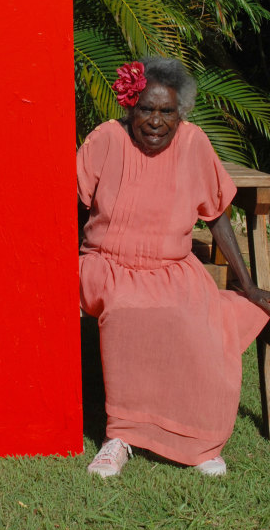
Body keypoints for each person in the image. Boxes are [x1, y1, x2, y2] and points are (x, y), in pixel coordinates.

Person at [77, 57, 270, 477]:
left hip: (172, 269)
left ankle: (199, 441)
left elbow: (217, 215)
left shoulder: (193, 142)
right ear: (131, 106)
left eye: (167, 111)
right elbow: (69, 199)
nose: (157, 121)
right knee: (128, 310)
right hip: (108, 267)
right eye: (147, 109)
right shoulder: (108, 138)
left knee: (197, 319)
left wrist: (249, 285)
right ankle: (119, 437)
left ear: (180, 113)